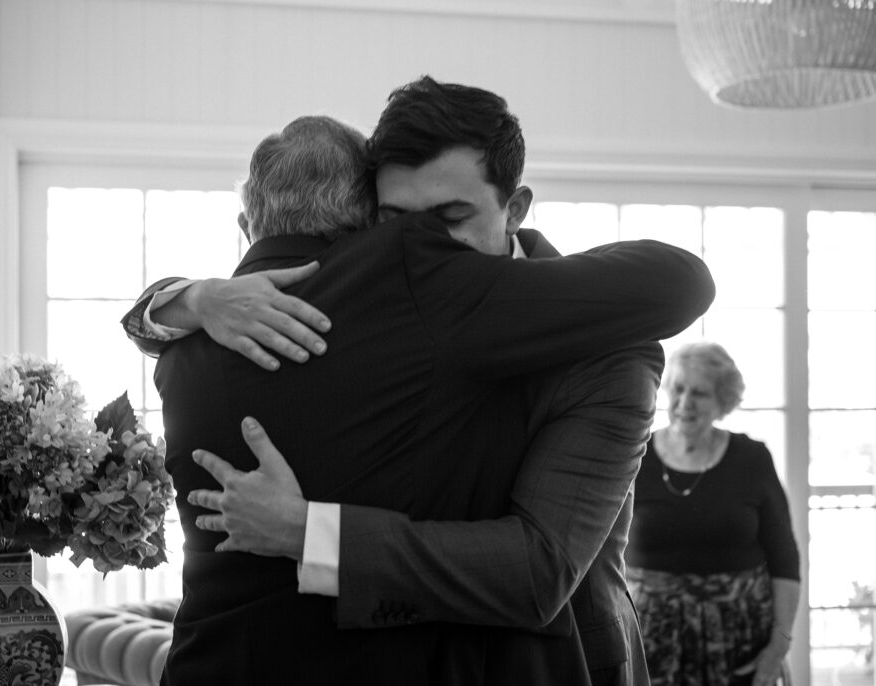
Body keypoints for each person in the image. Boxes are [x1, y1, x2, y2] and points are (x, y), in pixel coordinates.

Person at [123, 77, 710, 685]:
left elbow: (538, 571)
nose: (423, 245)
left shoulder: (610, 349)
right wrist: (189, 300)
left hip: (556, 661)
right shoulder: (379, 304)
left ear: (516, 209)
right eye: (395, 223)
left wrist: (312, 533)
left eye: (449, 218)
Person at [625, 342, 801, 686]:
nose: (684, 402)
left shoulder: (752, 458)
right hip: (647, 641)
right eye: (677, 389)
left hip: (741, 641)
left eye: (700, 393)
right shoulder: (634, 456)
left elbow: (785, 559)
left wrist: (779, 646)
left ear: (722, 400)